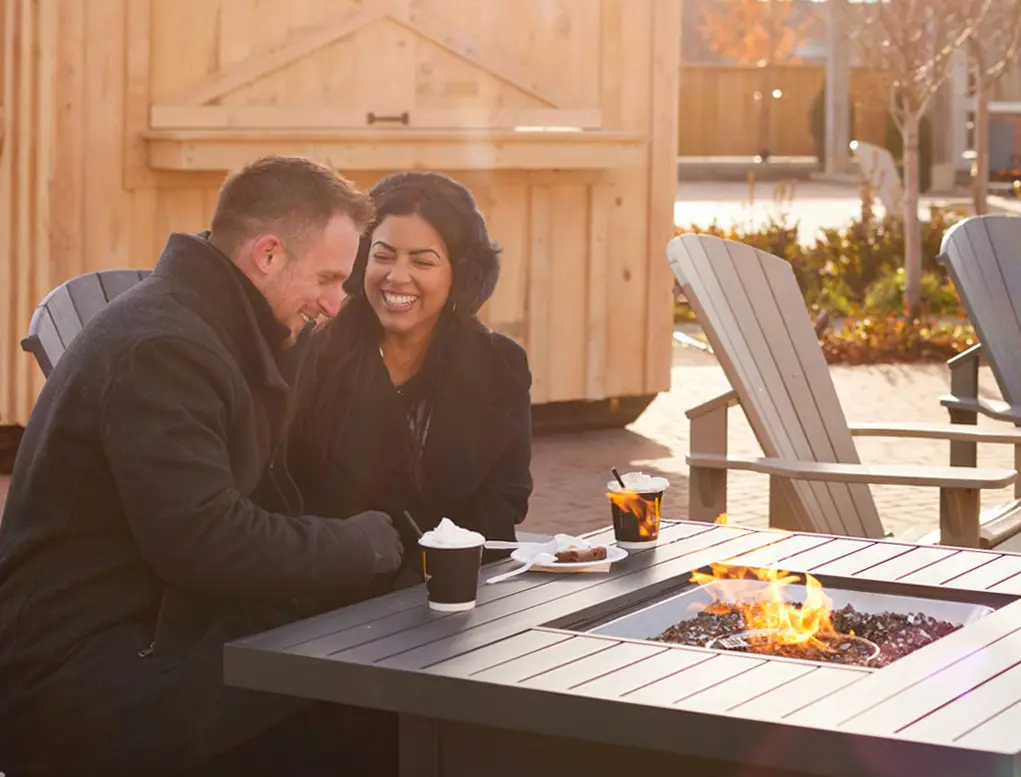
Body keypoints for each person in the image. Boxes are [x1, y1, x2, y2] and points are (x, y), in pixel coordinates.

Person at [0, 156, 406, 776]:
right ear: (268, 255)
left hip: (161, 635)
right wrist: (357, 547)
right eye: (327, 278)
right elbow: (204, 541)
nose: (333, 303)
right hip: (87, 680)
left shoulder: (224, 331)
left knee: (372, 668)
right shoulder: (165, 350)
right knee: (376, 710)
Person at [286, 171, 533, 588]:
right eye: (382, 256)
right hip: (333, 599)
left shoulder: (500, 364)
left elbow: (507, 498)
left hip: (461, 592)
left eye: (422, 261)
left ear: (460, 273)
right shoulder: (309, 355)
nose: (397, 276)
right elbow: (290, 498)